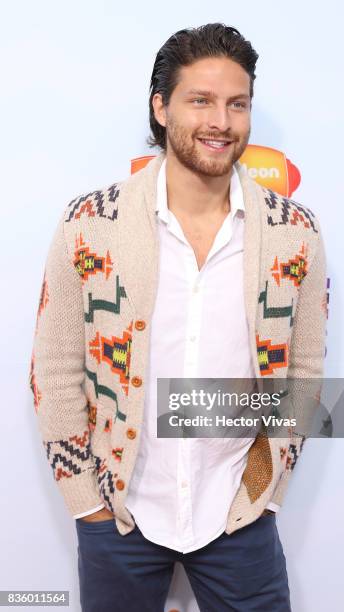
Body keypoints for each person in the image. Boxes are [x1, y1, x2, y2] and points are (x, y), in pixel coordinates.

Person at [29, 22, 327, 612]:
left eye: (237, 104)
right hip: (119, 516)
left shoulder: (295, 232)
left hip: (237, 516)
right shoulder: (90, 224)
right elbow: (55, 367)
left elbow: (305, 366)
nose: (221, 121)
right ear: (161, 107)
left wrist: (267, 485)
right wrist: (85, 503)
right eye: (201, 100)